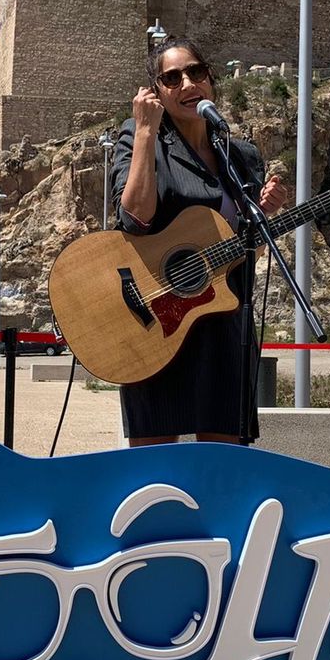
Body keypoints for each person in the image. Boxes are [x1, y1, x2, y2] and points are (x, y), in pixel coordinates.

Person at [109, 37, 288, 445]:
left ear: (211, 80)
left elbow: (249, 252)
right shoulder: (140, 138)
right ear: (155, 91)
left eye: (196, 72)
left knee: (223, 472)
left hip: (224, 322)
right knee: (154, 471)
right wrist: (144, 134)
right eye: (172, 78)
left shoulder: (241, 156)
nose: (187, 83)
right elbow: (134, 219)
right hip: (155, 321)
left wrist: (267, 216)